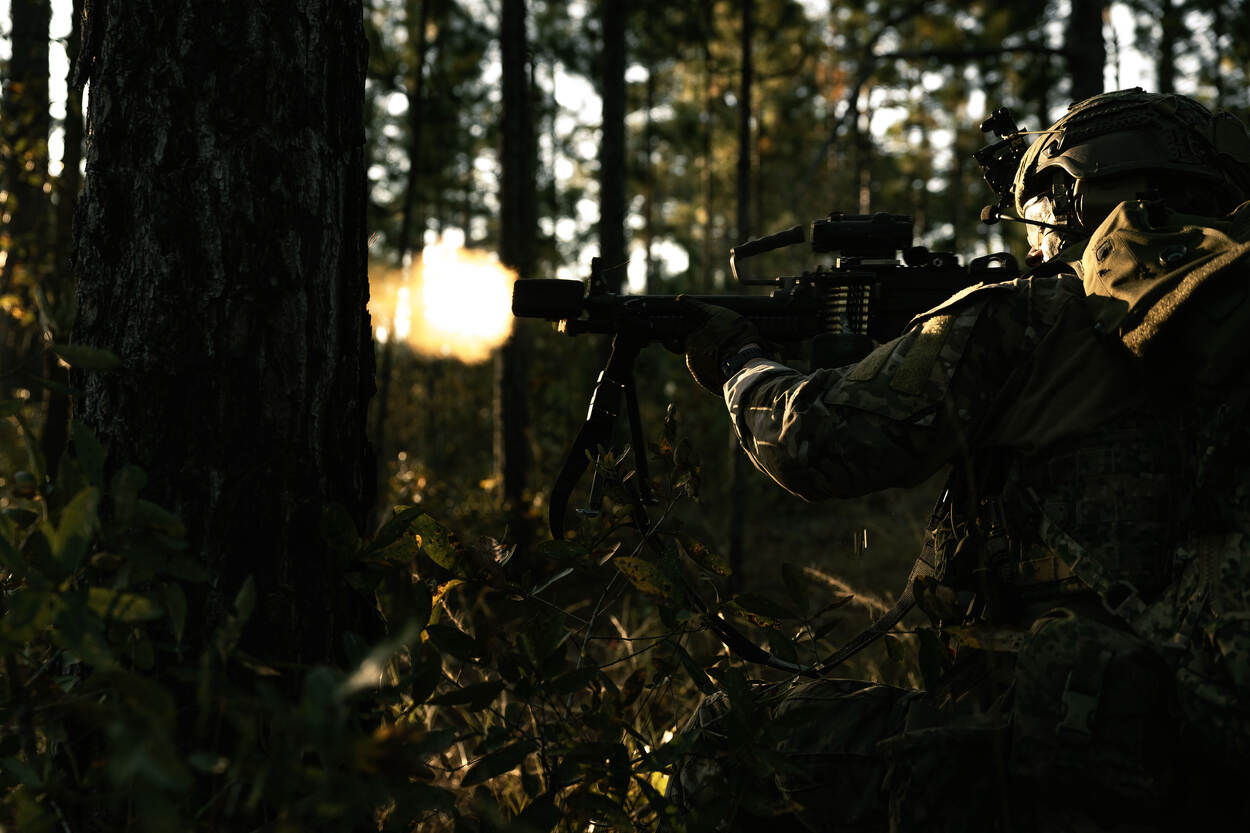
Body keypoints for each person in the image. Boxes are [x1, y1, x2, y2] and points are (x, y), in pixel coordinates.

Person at [670, 88, 1250, 831]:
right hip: (1212, 761)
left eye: (1037, 213)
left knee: (724, 743)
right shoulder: (1229, 329)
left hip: (1056, 764)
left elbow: (816, 442)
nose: (1032, 244)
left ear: (1077, 194)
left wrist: (738, 362)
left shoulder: (1029, 316)